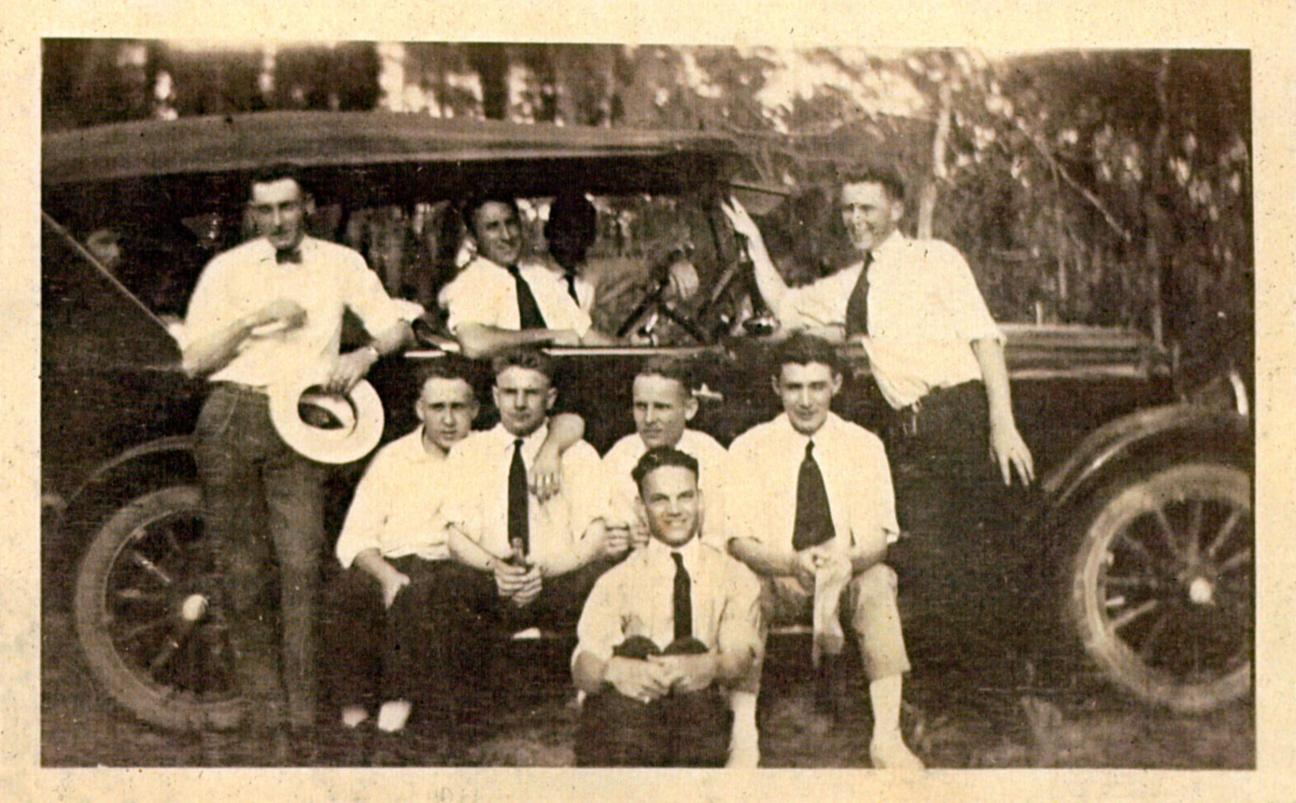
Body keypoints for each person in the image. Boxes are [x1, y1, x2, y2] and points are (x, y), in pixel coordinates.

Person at [178, 163, 412, 760]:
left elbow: (395, 329)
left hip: (305, 425)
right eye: (265, 210)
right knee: (243, 574)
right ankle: (267, 725)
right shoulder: (227, 270)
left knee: (303, 570)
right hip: (233, 415)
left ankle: (305, 724)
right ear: (251, 214)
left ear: (307, 206)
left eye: (287, 207)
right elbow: (193, 361)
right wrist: (252, 319)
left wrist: (362, 355)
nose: (277, 221)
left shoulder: (340, 262)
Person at [322, 362, 584, 745]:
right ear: (419, 410)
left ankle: (394, 722)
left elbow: (569, 421)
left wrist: (551, 448)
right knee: (348, 593)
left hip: (458, 567)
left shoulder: (486, 449)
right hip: (394, 562)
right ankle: (354, 724)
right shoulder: (394, 459)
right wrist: (388, 577)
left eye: (458, 408)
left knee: (432, 594)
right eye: (437, 408)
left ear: (476, 410)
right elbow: (356, 538)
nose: (447, 420)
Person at [723, 170, 1034, 491]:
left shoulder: (936, 257)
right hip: (911, 432)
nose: (855, 219)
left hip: (959, 420)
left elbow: (985, 341)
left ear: (896, 210)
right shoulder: (853, 282)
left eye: (867, 209)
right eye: (848, 209)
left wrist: (1004, 427)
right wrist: (754, 240)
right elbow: (785, 305)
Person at [722, 333, 922, 769]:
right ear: (777, 387)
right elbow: (738, 540)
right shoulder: (750, 446)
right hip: (779, 573)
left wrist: (846, 563)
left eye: (817, 386)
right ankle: (743, 733)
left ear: (836, 384)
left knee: (877, 581)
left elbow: (880, 536)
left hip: (843, 572)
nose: (806, 401)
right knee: (741, 584)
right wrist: (790, 562)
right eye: (794, 387)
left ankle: (887, 736)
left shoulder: (864, 446)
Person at [573, 447, 761, 767]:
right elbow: (583, 664)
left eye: (685, 497)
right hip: (631, 719)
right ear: (640, 507)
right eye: (660, 499)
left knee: (690, 649)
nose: (674, 510)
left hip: (696, 720)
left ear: (700, 500)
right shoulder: (617, 580)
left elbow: (739, 657)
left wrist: (709, 665)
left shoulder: (734, 577)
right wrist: (613, 669)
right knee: (635, 649)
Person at [441, 349, 613, 646]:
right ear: (496, 396)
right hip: (491, 579)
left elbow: (595, 538)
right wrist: (497, 569)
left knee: (601, 582)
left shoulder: (578, 453)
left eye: (531, 393)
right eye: (510, 392)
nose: (519, 403)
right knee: (444, 584)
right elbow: (455, 537)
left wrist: (544, 571)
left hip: (556, 580)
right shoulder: (469, 451)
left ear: (550, 398)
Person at [437, 195, 618, 358]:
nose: (506, 236)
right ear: (474, 238)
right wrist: (549, 336)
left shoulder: (539, 275)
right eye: (493, 227)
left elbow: (583, 333)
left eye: (511, 223)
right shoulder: (471, 281)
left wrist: (631, 347)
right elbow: (474, 344)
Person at [600, 356, 729, 551]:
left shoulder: (713, 457)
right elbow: (611, 534)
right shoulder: (618, 458)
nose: (649, 419)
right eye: (641, 406)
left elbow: (718, 540)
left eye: (661, 407)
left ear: (690, 409)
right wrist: (626, 541)